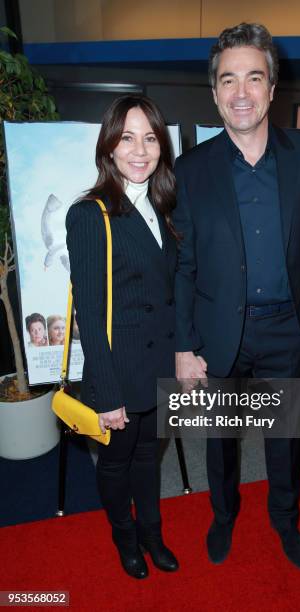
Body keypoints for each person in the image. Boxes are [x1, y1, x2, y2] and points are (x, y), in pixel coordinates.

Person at [173, 23, 300, 570]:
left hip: (288, 332)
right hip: (217, 334)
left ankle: (284, 519)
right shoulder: (190, 169)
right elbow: (183, 264)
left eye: (254, 77)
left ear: (272, 88)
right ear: (216, 92)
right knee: (218, 439)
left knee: (285, 439)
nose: (241, 92)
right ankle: (223, 516)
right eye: (229, 80)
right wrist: (184, 344)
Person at [66, 95, 179, 579]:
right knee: (116, 463)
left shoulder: (166, 207)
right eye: (127, 137)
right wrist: (108, 396)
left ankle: (152, 532)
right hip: (119, 369)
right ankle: (124, 534)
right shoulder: (90, 214)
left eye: (150, 138)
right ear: (109, 147)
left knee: (148, 459)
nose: (139, 150)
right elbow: (90, 314)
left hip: (159, 366)